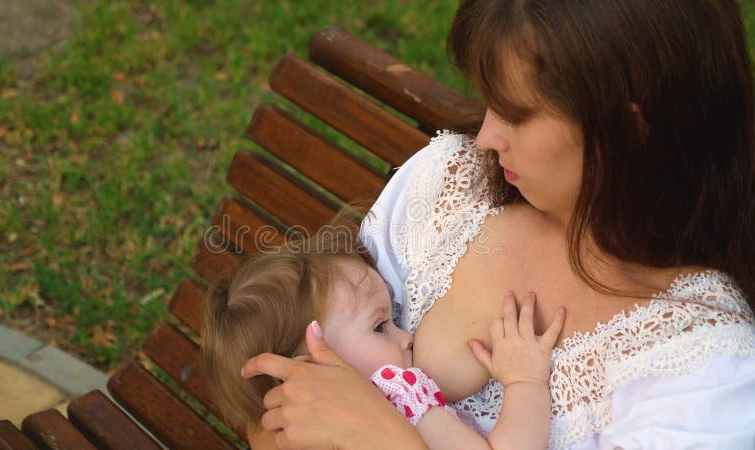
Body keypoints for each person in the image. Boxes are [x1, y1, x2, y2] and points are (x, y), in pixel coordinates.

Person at [242, 0, 755, 448]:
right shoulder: (447, 186)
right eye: (488, 101)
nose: (485, 136)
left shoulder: (703, 368)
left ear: (629, 128)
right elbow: (273, 409)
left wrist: (383, 437)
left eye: (515, 113)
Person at [202, 212, 567, 449]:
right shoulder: (398, 406)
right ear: (312, 370)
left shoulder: (290, 436)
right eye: (380, 326)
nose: (407, 336)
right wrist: (524, 382)